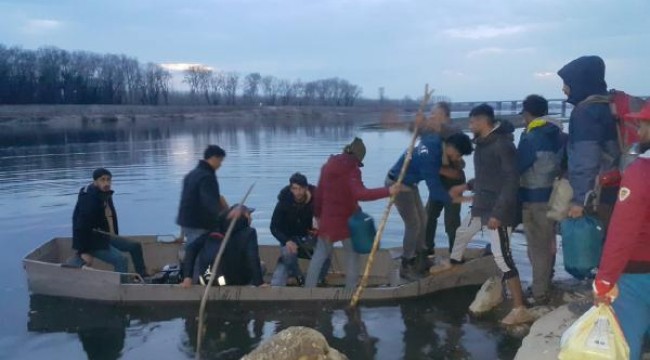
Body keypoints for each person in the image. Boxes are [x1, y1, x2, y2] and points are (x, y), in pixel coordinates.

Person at [448, 104, 533, 325]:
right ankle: (453, 262)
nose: (470, 125)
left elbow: (511, 182)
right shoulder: (483, 145)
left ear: (483, 121)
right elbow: (487, 177)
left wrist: (498, 214)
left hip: (498, 212)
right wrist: (465, 185)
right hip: (481, 206)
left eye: (472, 122)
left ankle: (519, 307)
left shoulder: (502, 145)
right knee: (463, 232)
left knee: (502, 257)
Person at [304, 137, 402, 290]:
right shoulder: (352, 170)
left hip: (327, 221)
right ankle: (350, 292)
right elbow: (360, 193)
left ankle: (308, 291)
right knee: (352, 256)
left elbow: (319, 194)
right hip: (346, 223)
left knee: (319, 256)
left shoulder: (327, 166)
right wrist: (388, 191)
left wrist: (317, 216)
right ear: (358, 158)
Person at [593, 102, 650, 360]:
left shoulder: (641, 172)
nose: (639, 130)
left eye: (642, 124)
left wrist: (604, 281)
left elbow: (622, 233)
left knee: (628, 341)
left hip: (638, 271)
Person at [387, 112, 471, 281]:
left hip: (410, 185)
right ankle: (407, 264)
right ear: (452, 147)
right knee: (413, 224)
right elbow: (435, 191)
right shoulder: (430, 156)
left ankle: (422, 257)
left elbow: (424, 131)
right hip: (397, 184)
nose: (458, 158)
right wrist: (462, 198)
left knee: (423, 220)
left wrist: (420, 123)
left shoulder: (434, 140)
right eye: (458, 154)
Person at [557, 56, 620, 227]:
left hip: (595, 196)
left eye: (567, 82)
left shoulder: (585, 112)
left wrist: (580, 200)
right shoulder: (608, 105)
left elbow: (586, 159)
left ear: (580, 82)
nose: (564, 88)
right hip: (615, 188)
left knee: (591, 247)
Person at [517, 95, 566, 305]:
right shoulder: (561, 135)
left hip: (532, 199)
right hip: (555, 198)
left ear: (528, 114)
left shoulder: (530, 138)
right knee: (548, 243)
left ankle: (539, 293)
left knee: (537, 247)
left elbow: (517, 167)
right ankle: (547, 281)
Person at [71, 168, 147, 277]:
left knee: (135, 246)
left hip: (103, 236)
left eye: (108, 180)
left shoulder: (104, 194)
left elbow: (111, 217)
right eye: (102, 180)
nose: (106, 183)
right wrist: (83, 250)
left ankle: (143, 276)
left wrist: (115, 235)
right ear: (95, 181)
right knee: (121, 260)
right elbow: (80, 225)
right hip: (91, 242)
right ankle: (122, 287)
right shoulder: (88, 198)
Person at [424, 101, 473, 256]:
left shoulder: (454, 130)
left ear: (444, 116)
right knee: (429, 216)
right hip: (438, 181)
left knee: (451, 221)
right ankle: (427, 249)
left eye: (434, 114)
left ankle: (455, 252)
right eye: (430, 113)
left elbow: (458, 160)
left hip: (454, 182)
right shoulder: (432, 132)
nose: (431, 116)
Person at [181, 204, 265, 287]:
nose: (251, 218)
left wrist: (187, 277)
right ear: (246, 216)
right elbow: (252, 258)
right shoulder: (248, 232)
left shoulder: (214, 229)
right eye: (250, 215)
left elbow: (191, 248)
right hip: (230, 281)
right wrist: (260, 283)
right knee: (261, 266)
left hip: (206, 280)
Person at [270, 172, 330, 286]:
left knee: (326, 249)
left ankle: (318, 278)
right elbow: (274, 227)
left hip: (309, 236)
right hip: (289, 238)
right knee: (288, 252)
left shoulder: (316, 200)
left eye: (300, 189)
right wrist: (286, 241)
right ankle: (298, 277)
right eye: (294, 189)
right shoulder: (284, 201)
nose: (297, 192)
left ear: (306, 188)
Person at [176, 145, 236, 245]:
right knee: (199, 254)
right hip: (199, 224)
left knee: (191, 252)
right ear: (213, 158)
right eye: (220, 160)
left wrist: (181, 233)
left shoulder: (191, 174)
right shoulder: (207, 177)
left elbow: (186, 203)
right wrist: (226, 216)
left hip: (186, 223)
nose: (220, 164)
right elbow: (210, 203)